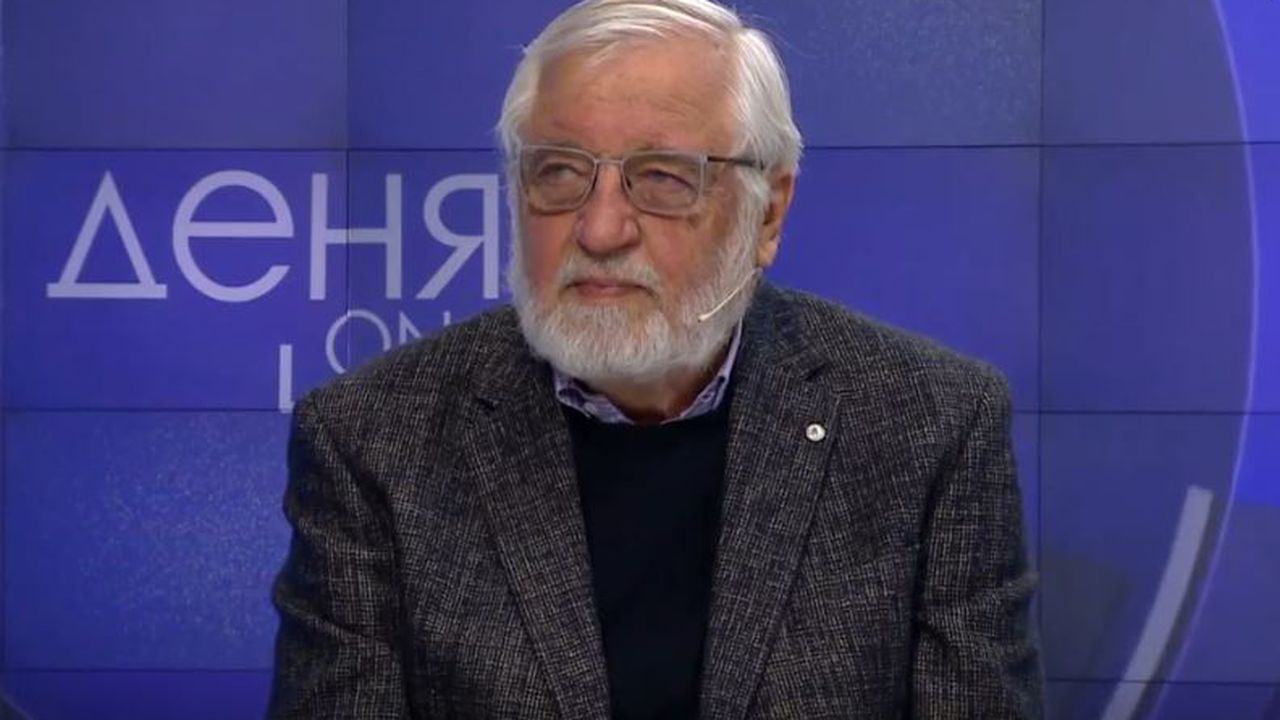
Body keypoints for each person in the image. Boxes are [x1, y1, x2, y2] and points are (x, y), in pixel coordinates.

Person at [267, 0, 1044, 717]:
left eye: (664, 179)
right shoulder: (373, 442)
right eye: (558, 172)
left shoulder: (929, 427)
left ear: (768, 213)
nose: (600, 229)